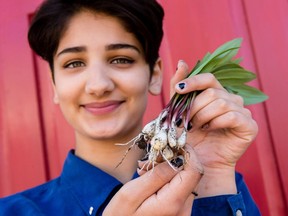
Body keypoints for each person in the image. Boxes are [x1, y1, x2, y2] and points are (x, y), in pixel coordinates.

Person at [0, 0, 261, 215]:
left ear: (155, 74)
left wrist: (211, 177)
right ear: (54, 84)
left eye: (121, 59)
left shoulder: (223, 189)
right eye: (74, 63)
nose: (98, 85)